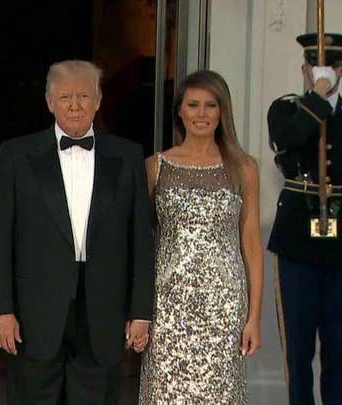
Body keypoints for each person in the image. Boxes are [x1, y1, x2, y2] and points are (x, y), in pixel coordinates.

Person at [0, 59, 155, 405]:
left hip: (102, 313)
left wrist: (140, 311)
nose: (75, 105)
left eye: (83, 96)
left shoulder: (128, 155)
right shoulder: (16, 155)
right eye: (65, 97)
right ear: (49, 102)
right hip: (33, 315)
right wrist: (0, 309)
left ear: (99, 99)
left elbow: (140, 238)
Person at [267, 33, 342, 405]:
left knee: (339, 350)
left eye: (331, 66)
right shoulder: (286, 110)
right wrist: (317, 94)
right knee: (297, 351)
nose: (325, 72)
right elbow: (289, 139)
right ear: (304, 69)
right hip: (297, 241)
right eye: (316, 66)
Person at [139, 70, 263, 403]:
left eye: (211, 105)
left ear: (223, 112)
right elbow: (141, 244)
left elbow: (250, 243)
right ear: (179, 110)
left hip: (224, 306)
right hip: (168, 304)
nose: (202, 114)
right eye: (193, 105)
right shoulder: (155, 167)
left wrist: (254, 317)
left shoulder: (244, 167)